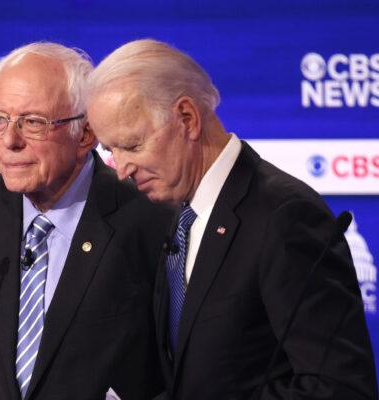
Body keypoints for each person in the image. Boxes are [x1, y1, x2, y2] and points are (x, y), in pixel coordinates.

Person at [86, 38, 378, 399]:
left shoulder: (284, 216)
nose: (122, 169)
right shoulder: (173, 214)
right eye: (111, 150)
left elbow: (340, 387)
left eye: (131, 145)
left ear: (187, 118)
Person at [0, 42, 171, 400]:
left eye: (33, 122)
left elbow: (181, 378)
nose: (9, 141)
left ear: (85, 133)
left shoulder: (151, 217)